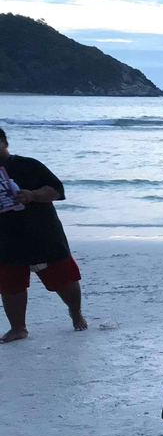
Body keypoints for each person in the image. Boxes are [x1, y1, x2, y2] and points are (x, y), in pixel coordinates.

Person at [0, 126, 86, 342]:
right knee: (10, 284)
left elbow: (57, 190)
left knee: (64, 279)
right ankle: (18, 328)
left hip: (42, 233)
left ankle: (75, 314)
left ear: (5, 143)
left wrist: (32, 195)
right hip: (6, 238)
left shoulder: (28, 165)